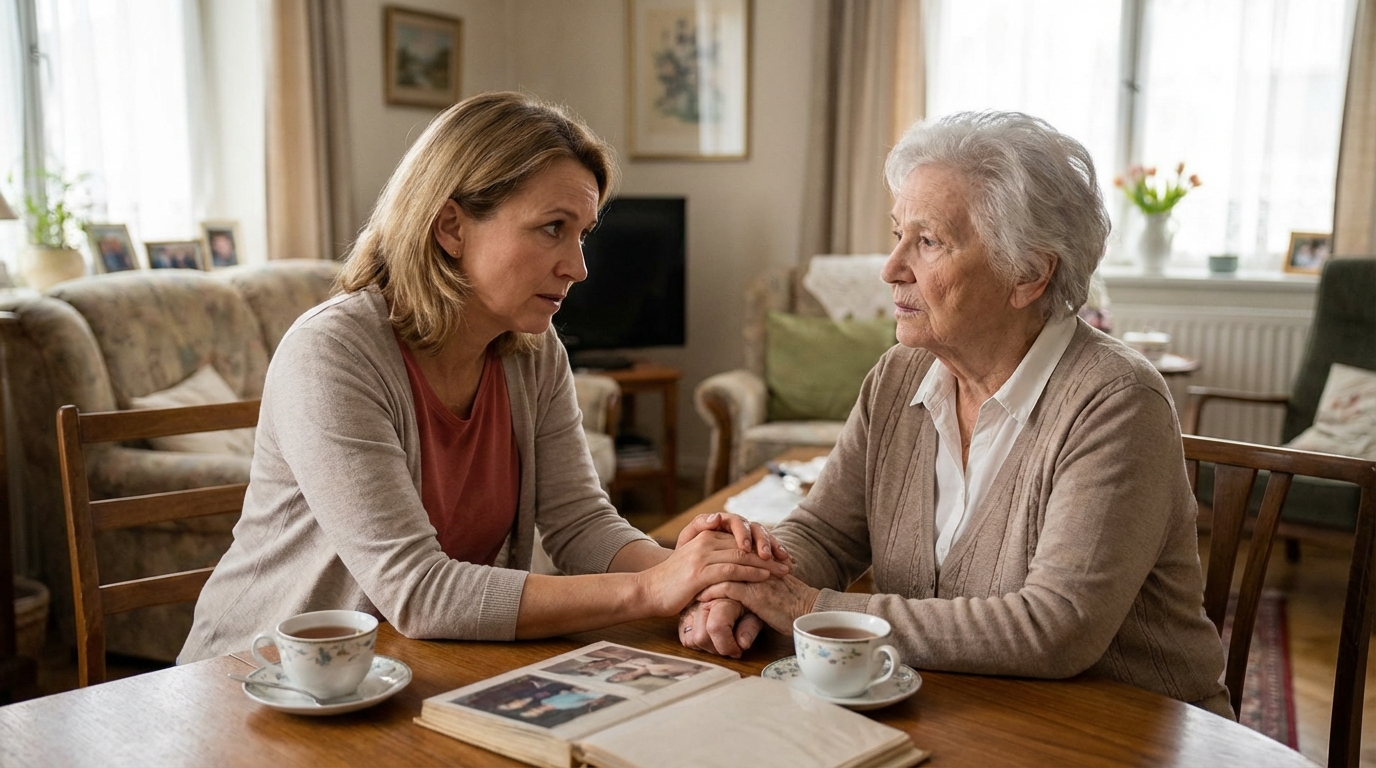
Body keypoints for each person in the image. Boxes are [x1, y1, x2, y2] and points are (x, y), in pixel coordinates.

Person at [179, 92, 790, 663]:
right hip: (256, 679)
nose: (578, 267)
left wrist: (704, 578)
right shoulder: (332, 353)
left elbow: (580, 523)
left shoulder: (533, 350)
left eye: (582, 235)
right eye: (552, 228)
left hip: (408, 668)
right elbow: (419, 591)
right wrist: (652, 588)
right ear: (451, 227)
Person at [681, 111, 1231, 718]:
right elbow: (824, 533)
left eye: (929, 242)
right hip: (961, 713)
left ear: (1028, 273)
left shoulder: (1117, 401)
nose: (892, 268)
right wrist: (744, 590)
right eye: (899, 234)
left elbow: (1054, 626)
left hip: (1126, 731)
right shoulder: (899, 375)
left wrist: (808, 609)